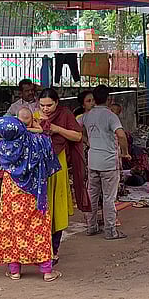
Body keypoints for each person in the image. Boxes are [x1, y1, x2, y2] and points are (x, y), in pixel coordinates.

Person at [0, 115, 61, 281]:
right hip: (34, 192)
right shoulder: (37, 141)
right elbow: (48, 146)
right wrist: (37, 127)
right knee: (38, 228)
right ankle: (47, 271)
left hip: (11, 194)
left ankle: (14, 270)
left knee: (12, 227)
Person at [37, 88, 89, 260]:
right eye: (42, 105)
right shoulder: (35, 116)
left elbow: (77, 136)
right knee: (40, 209)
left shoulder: (65, 114)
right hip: (39, 166)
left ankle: (54, 248)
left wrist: (56, 128)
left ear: (57, 103)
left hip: (58, 165)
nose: (45, 109)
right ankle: (41, 249)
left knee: (56, 207)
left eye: (49, 105)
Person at [78, 85, 130, 240]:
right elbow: (121, 135)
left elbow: (76, 129)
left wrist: (87, 142)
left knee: (92, 195)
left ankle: (91, 227)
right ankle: (111, 231)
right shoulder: (110, 116)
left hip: (93, 161)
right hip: (109, 163)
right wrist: (125, 152)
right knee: (108, 197)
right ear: (109, 99)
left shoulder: (86, 116)